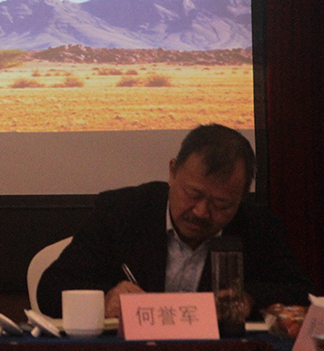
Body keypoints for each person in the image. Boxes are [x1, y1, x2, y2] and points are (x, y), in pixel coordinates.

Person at [37, 124, 313, 319]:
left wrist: (250, 298)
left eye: (221, 205)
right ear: (172, 172)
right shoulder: (122, 212)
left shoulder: (257, 227)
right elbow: (50, 289)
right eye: (193, 194)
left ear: (241, 198)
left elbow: (302, 293)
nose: (201, 212)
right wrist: (106, 298)